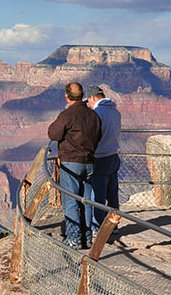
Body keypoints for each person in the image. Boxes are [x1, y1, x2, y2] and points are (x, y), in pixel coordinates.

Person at [47, 81, 102, 248]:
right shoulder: (93, 115)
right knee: (85, 200)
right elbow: (99, 135)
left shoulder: (67, 115)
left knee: (70, 200)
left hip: (71, 163)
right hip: (90, 162)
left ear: (67, 96)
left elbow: (53, 134)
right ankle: (86, 237)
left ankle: (73, 238)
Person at [89, 84, 122, 225]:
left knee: (98, 195)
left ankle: (98, 226)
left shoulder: (97, 113)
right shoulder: (115, 111)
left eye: (89, 101)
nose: (89, 105)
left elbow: (93, 135)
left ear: (92, 98)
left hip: (100, 157)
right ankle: (113, 225)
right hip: (114, 155)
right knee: (113, 194)